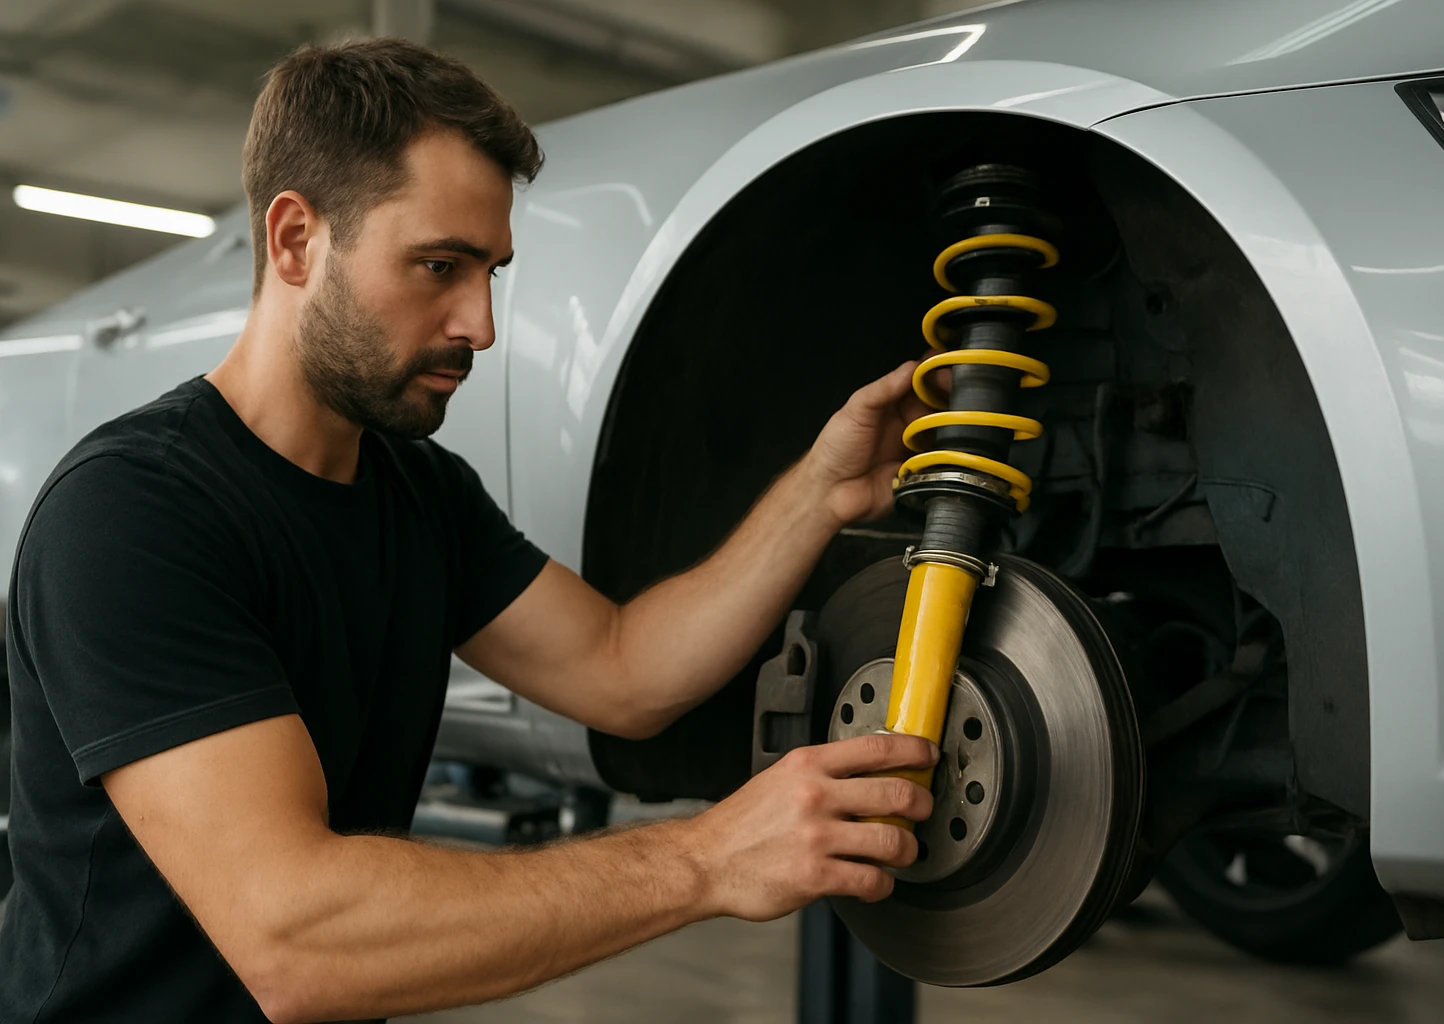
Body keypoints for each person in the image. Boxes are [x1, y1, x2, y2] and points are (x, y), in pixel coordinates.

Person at [0, 36, 939, 1024]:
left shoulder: (419, 493)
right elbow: (295, 937)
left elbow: (625, 669)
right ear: (293, 241)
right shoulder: (132, 512)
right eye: (438, 265)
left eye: (490, 270)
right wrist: (705, 859)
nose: (480, 324)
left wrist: (822, 488)